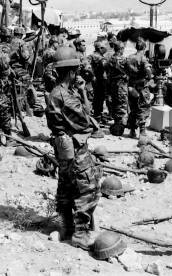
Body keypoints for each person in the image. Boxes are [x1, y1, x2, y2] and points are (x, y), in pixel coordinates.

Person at [46, 46, 102, 250]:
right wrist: (83, 94)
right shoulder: (64, 96)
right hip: (75, 148)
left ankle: (67, 227)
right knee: (88, 188)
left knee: (67, 186)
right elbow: (87, 121)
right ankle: (79, 233)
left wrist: (79, 91)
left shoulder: (59, 92)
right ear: (72, 71)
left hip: (64, 148)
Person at [126, 38, 153, 141]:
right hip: (141, 87)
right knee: (143, 107)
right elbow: (148, 69)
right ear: (144, 47)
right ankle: (142, 131)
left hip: (132, 86)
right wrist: (149, 77)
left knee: (133, 107)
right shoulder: (143, 58)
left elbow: (122, 67)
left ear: (136, 47)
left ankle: (132, 130)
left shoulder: (129, 58)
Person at [106, 40, 128, 136]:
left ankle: (116, 124)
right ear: (121, 49)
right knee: (122, 105)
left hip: (112, 85)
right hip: (121, 85)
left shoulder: (109, 59)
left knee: (115, 104)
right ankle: (119, 128)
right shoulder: (123, 59)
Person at [89, 41, 108, 124]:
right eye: (104, 47)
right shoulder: (99, 57)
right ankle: (97, 117)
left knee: (98, 99)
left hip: (97, 80)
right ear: (100, 48)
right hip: (100, 81)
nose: (106, 48)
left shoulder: (92, 56)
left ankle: (98, 115)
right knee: (99, 99)